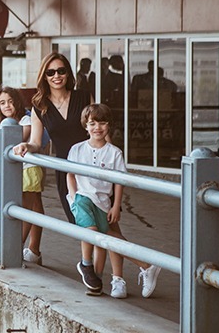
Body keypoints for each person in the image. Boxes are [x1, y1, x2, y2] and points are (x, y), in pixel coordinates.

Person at [67, 103, 161, 298]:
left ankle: (105, 278)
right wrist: (74, 196)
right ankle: (86, 265)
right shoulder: (77, 149)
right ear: (85, 125)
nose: (97, 128)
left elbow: (119, 182)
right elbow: (70, 174)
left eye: (102, 123)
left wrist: (117, 205)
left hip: (103, 202)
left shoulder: (114, 153)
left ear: (109, 126)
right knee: (91, 232)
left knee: (106, 239)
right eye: (92, 123)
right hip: (83, 197)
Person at [13, 52, 92, 224]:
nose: (57, 76)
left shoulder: (84, 97)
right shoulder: (39, 106)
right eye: (51, 72)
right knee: (77, 220)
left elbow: (100, 132)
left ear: (68, 73)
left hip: (91, 164)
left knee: (105, 223)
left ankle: (121, 252)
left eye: (61, 71)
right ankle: (88, 253)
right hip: (64, 168)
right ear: (44, 76)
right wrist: (26, 146)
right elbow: (35, 141)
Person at [0, 87, 46, 263]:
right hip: (13, 168)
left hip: (28, 168)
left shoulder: (26, 119)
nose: (7, 106)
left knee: (27, 209)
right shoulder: (2, 122)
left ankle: (13, 248)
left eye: (10, 102)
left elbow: (22, 135)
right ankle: (3, 234)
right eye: (2, 102)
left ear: (17, 102)